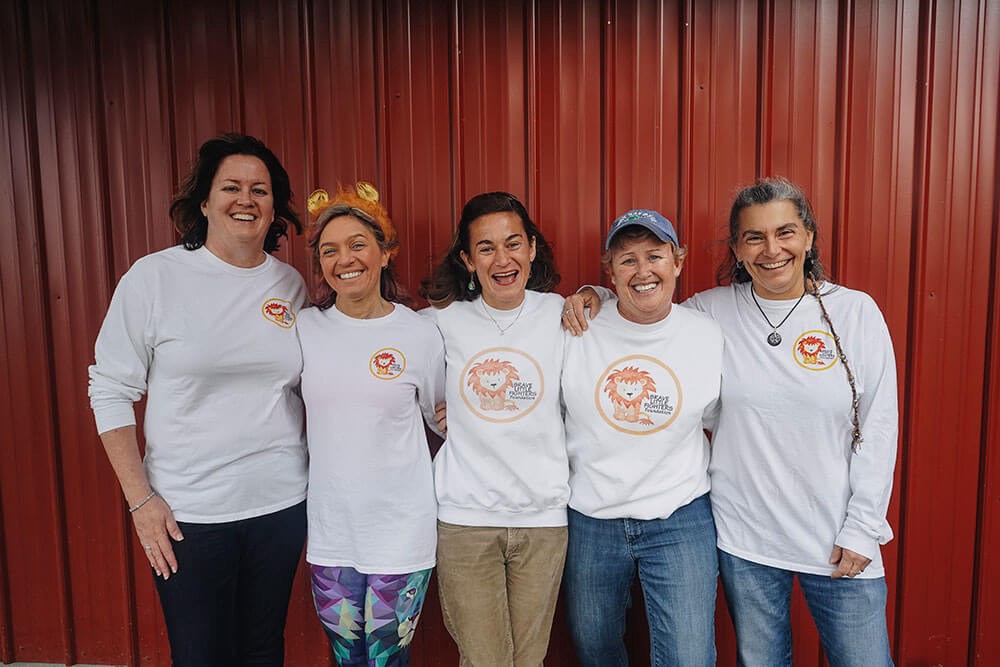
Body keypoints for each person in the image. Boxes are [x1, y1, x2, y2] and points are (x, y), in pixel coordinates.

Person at [564, 177, 898, 667]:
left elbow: (879, 424)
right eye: (754, 238)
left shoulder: (854, 313)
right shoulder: (712, 312)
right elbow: (644, 309)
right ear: (738, 249)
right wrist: (590, 294)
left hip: (836, 540)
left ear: (808, 236)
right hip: (748, 540)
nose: (772, 250)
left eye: (785, 232)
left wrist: (863, 525)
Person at [88, 133, 308, 666]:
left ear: (274, 207)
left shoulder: (290, 285)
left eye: (260, 189)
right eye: (230, 187)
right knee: (200, 655)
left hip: (281, 505)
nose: (245, 199)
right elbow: (111, 390)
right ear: (204, 202)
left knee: (262, 649)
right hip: (188, 512)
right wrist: (141, 501)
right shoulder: (155, 278)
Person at [560, 209, 723, 666]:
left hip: (679, 517)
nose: (643, 270)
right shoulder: (576, 328)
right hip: (591, 518)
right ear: (609, 272)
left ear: (678, 262)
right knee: (595, 648)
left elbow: (720, 415)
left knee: (688, 656)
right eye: (627, 260)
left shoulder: (707, 336)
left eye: (655, 255)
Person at [418, 191, 569, 666]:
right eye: (485, 248)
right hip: (467, 520)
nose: (502, 259)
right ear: (467, 260)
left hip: (543, 521)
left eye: (513, 243)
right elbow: (391, 357)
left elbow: (613, 314)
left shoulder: (563, 314)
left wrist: (596, 294)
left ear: (531, 249)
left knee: (528, 661)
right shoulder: (440, 323)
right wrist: (434, 413)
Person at [297, 182, 445, 666]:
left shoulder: (420, 333)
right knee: (347, 658)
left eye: (358, 244)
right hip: (331, 531)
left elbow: (442, 419)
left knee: (386, 659)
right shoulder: (303, 331)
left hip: (400, 533)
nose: (345, 259)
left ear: (386, 252)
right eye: (329, 250)